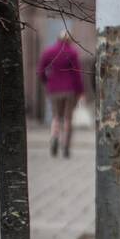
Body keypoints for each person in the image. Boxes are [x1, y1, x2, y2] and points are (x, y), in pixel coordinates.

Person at [36, 30, 85, 158]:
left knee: (56, 117)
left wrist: (46, 81)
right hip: (70, 90)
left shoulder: (49, 51)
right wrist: (80, 91)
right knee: (68, 118)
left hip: (54, 90)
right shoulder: (73, 53)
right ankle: (65, 146)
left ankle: (54, 137)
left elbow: (40, 70)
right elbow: (77, 74)